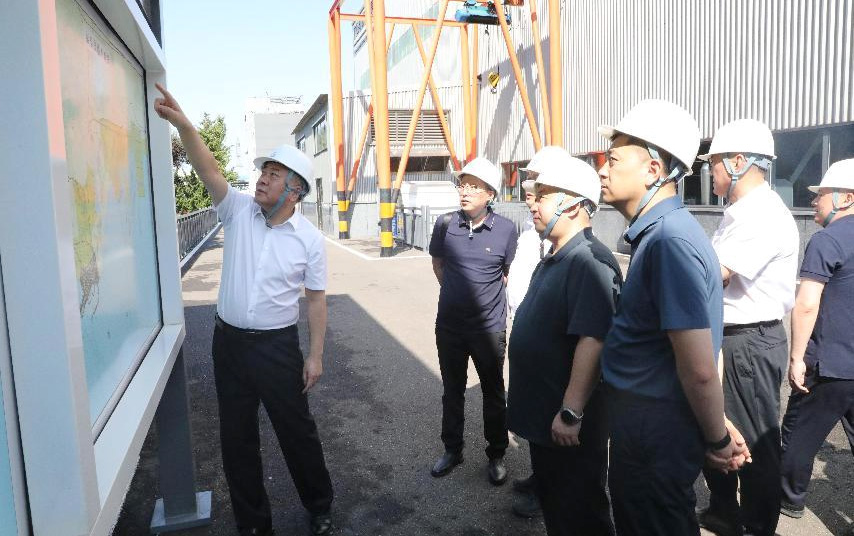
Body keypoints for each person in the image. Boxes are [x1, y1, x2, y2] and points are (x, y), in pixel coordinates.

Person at [154, 84, 334, 536]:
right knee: (237, 438)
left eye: (274, 174)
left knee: (296, 431)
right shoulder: (236, 210)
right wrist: (185, 125)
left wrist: (315, 355)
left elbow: (316, 299)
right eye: (263, 171)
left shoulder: (309, 241)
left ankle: (320, 505)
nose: (262, 179)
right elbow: (209, 168)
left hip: (277, 349)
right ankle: (254, 525)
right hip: (229, 344)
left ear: (294, 190)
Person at [597, 99, 749, 535]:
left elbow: (699, 368)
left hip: (652, 438)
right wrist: (716, 421)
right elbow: (698, 350)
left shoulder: (668, 243)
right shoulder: (665, 235)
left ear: (653, 170)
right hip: (652, 429)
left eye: (613, 160)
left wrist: (717, 439)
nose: (602, 171)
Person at [507, 146, 621, 535]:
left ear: (573, 205)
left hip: (567, 426)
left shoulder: (590, 261)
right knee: (558, 508)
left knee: (581, 511)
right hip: (546, 421)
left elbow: (594, 339)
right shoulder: (559, 254)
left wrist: (571, 412)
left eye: (543, 196)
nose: (533, 204)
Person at [695, 119, 799, 536]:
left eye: (715, 162)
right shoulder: (738, 212)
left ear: (739, 162)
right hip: (732, 337)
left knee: (755, 443)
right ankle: (724, 510)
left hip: (749, 341)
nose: (710, 170)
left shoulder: (761, 214)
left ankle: (758, 526)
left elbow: (714, 275)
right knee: (715, 427)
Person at [428, 157, 519, 485]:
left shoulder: (507, 229)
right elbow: (438, 265)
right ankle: (452, 450)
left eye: (474, 186)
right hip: (450, 326)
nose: (464, 191)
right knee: (452, 391)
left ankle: (496, 454)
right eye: (462, 184)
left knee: (493, 393)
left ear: (490, 194)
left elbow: (506, 274)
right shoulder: (445, 224)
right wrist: (457, 295)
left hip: (489, 329)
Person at [780, 158, 854, 520]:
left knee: (800, 435)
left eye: (821, 194)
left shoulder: (827, 239)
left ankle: (789, 501)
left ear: (846, 198)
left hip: (829, 364)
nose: (814, 201)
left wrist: (797, 358)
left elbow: (807, 303)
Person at [505, 176, 545, 519]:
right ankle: (539, 477)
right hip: (524, 326)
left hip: (542, 335)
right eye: (529, 196)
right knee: (533, 413)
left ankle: (546, 489)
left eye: (537, 196)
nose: (531, 203)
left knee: (544, 415)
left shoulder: (552, 240)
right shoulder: (531, 233)